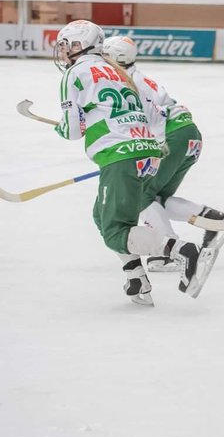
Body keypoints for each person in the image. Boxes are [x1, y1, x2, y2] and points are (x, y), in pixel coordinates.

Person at [51, 20, 212, 305]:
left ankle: (180, 249)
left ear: (79, 45)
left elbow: (73, 130)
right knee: (102, 216)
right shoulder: (118, 70)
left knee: (115, 230)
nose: (62, 52)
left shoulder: (74, 73)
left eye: (65, 45)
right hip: (146, 149)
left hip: (120, 155)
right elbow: (144, 109)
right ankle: (136, 277)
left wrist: (63, 127)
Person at [100, 36, 224, 273]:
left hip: (172, 137)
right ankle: (210, 218)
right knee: (156, 197)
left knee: (142, 196)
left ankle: (168, 254)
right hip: (188, 135)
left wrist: (155, 146)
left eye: (104, 57)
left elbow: (153, 114)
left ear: (117, 58)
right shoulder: (133, 77)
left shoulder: (128, 81)